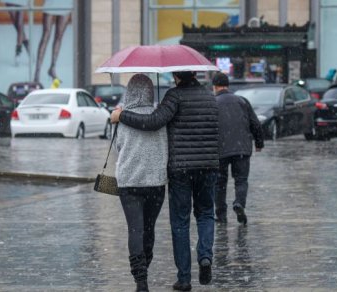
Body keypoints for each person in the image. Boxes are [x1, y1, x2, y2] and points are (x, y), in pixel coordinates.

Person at [111, 71, 219, 291]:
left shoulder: (171, 99)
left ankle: (175, 278)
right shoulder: (210, 96)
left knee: (171, 223)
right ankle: (205, 256)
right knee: (205, 214)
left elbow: (140, 132)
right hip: (201, 167)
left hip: (173, 172)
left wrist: (121, 116)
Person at [114, 74, 168, 292]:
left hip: (129, 182)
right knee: (149, 228)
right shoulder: (160, 116)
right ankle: (145, 266)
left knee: (135, 229)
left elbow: (118, 146)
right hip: (155, 181)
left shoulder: (120, 116)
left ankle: (140, 279)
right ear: (149, 91)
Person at [211, 72, 264, 225]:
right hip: (241, 148)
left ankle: (221, 215)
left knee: (219, 183)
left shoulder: (213, 102)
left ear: (214, 87)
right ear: (228, 85)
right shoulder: (242, 101)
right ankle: (239, 203)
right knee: (241, 180)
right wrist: (259, 143)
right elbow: (255, 124)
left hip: (220, 149)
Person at [34, 0, 73, 82]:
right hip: (51, 3)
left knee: (59, 36)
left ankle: (52, 68)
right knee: (46, 35)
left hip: (66, 3)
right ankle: (37, 73)